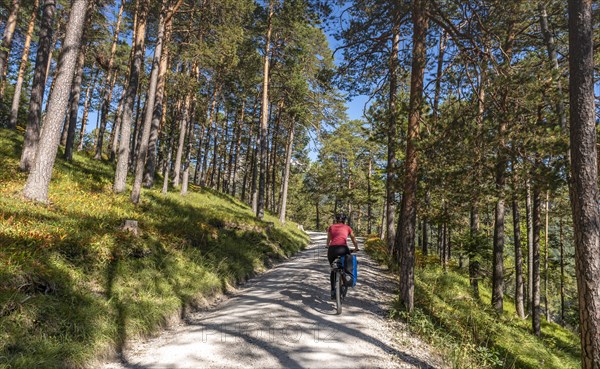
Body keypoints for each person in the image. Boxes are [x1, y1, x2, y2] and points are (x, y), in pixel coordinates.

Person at [326, 213, 359, 299]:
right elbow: (353, 239)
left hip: (332, 250)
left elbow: (328, 239)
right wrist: (356, 248)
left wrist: (327, 245)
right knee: (346, 266)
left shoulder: (331, 227)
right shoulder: (347, 227)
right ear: (344, 220)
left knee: (333, 270)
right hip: (343, 249)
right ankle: (346, 279)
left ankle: (333, 291)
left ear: (336, 219)